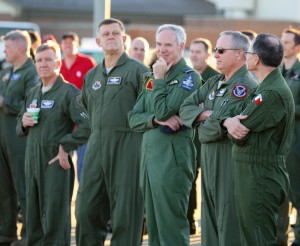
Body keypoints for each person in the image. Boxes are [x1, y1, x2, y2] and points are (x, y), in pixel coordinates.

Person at [75, 18, 149, 246]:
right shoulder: (92, 76)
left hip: (129, 147)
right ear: (98, 41)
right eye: (105, 34)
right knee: (86, 208)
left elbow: (150, 107)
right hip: (96, 146)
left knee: (126, 211)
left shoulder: (140, 72)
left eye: (115, 33)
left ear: (124, 39)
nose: (110, 37)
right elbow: (85, 107)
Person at [180, 31, 257, 246]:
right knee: (210, 227)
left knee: (228, 226)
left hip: (229, 162)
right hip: (210, 161)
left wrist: (204, 121)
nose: (216, 55)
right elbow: (186, 108)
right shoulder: (214, 82)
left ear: (240, 54)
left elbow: (206, 132)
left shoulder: (246, 86)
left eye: (221, 50)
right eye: (215, 50)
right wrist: (215, 118)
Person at [128, 24, 202, 245]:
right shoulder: (152, 76)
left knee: (171, 226)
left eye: (168, 45)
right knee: (154, 227)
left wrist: (159, 80)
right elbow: (133, 118)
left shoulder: (189, 78)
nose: (161, 50)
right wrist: (153, 120)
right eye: (158, 44)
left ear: (181, 46)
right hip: (150, 159)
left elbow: (163, 109)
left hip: (173, 161)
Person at [221, 33, 294, 245]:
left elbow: (240, 133)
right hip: (253, 173)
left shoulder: (271, 93)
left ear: (256, 58)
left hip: (260, 175)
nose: (247, 57)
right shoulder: (266, 87)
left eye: (249, 52)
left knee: (259, 238)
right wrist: (230, 121)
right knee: (252, 236)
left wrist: (230, 123)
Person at [16, 41, 90, 245]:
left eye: (48, 59)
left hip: (55, 163)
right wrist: (23, 122)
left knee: (55, 219)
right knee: (32, 217)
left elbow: (87, 125)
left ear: (58, 63)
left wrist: (66, 146)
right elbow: (18, 126)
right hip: (32, 162)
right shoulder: (33, 92)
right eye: (39, 60)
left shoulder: (69, 92)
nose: (43, 64)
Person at [0, 30, 38, 246]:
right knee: (3, 186)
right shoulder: (5, 71)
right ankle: (6, 230)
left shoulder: (31, 72)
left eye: (8, 46)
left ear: (21, 48)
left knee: (24, 186)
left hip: (20, 139)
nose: (4, 50)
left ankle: (28, 234)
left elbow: (31, 105)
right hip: (2, 137)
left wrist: (6, 102)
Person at [188, 37, 220, 234]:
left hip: (209, 135)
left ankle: (212, 222)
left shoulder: (215, 77)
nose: (194, 55)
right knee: (189, 177)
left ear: (208, 55)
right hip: (190, 135)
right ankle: (189, 218)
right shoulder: (188, 77)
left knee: (210, 180)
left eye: (198, 52)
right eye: (191, 51)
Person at [60, 31, 96, 182]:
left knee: (83, 167)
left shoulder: (87, 62)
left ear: (77, 44)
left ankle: (82, 200)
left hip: (83, 124)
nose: (68, 46)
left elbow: (94, 89)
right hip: (63, 125)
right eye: (65, 43)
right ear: (61, 46)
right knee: (63, 166)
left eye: (71, 42)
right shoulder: (58, 65)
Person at [277, 26, 300, 246]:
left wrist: (287, 108)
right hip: (277, 141)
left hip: (295, 141)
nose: (282, 46)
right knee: (279, 194)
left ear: (297, 47)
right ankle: (278, 238)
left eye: (286, 42)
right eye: (281, 41)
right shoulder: (276, 72)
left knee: (297, 193)